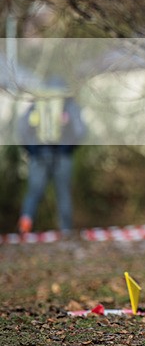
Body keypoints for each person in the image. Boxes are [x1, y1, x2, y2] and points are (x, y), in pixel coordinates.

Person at [17, 78, 86, 235]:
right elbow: (81, 131)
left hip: (38, 155)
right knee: (63, 193)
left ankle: (25, 226)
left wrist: (31, 150)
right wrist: (68, 147)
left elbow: (22, 129)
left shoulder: (37, 103)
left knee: (33, 192)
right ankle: (66, 232)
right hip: (62, 155)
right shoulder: (69, 104)